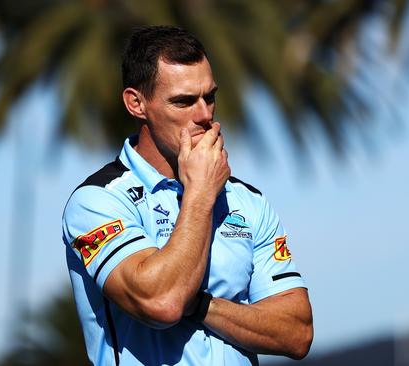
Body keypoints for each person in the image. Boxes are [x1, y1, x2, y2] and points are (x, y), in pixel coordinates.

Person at [62, 25, 313, 365]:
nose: (205, 115)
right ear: (137, 103)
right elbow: (162, 302)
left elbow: (296, 333)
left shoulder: (247, 201)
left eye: (209, 97)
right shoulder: (97, 201)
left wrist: (201, 306)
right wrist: (200, 194)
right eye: (183, 101)